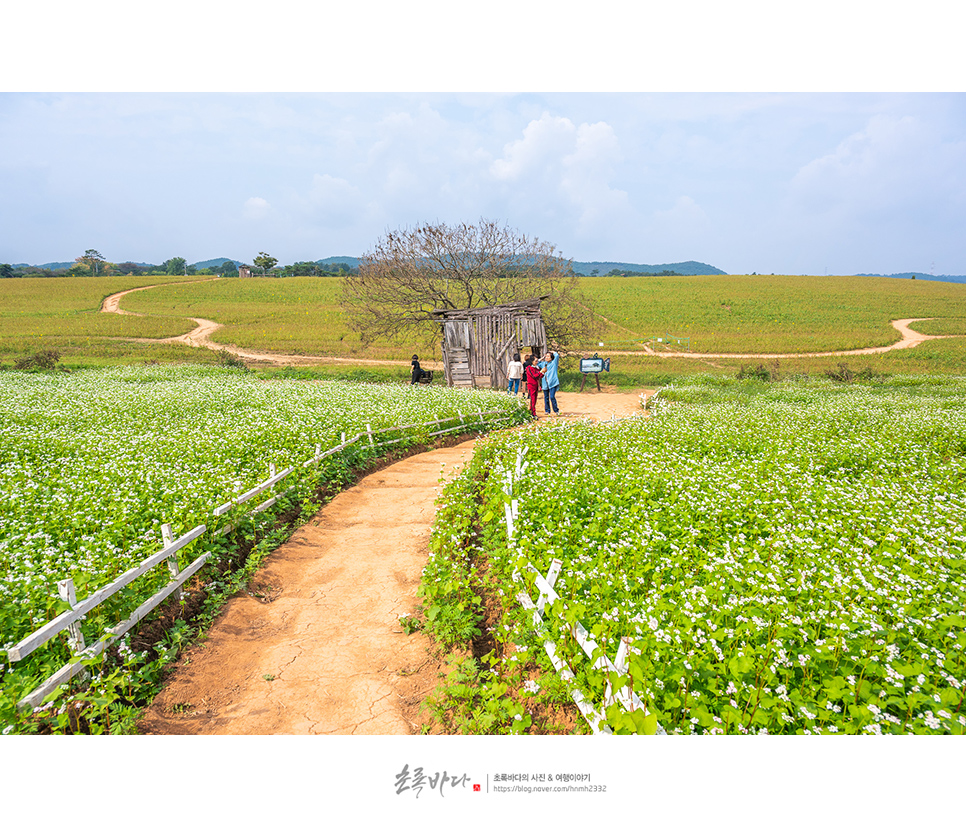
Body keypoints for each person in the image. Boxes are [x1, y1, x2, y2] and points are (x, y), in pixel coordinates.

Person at [537, 350, 560, 415]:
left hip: (552, 383)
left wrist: (552, 351)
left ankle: (556, 410)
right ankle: (547, 410)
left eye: (548, 356)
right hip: (545, 383)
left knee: (552, 397)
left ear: (551, 358)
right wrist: (542, 357)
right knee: (546, 397)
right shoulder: (543, 363)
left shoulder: (554, 363)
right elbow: (537, 362)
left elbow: (557, 355)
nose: (546, 358)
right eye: (546, 356)